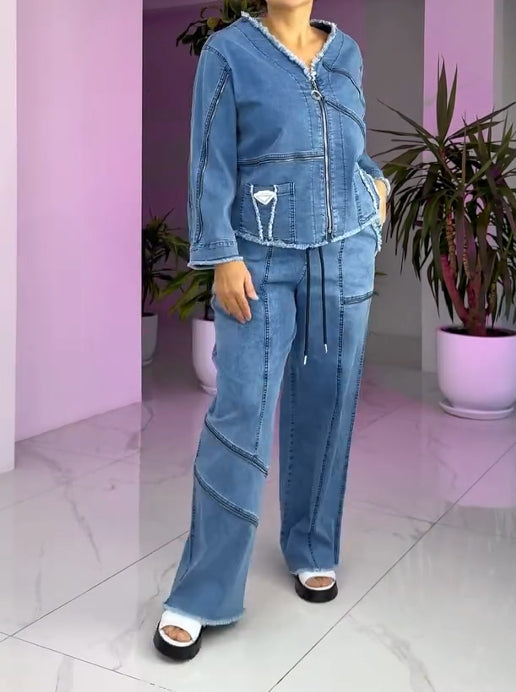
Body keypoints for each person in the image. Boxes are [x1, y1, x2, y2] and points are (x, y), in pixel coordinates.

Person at [154, 0, 390, 661]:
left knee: (328, 405)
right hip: (257, 261)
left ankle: (312, 546)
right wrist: (221, 255)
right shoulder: (228, 52)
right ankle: (202, 592)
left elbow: (348, 146)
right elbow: (210, 160)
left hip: (342, 253)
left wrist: (377, 189)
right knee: (241, 414)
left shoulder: (346, 54)